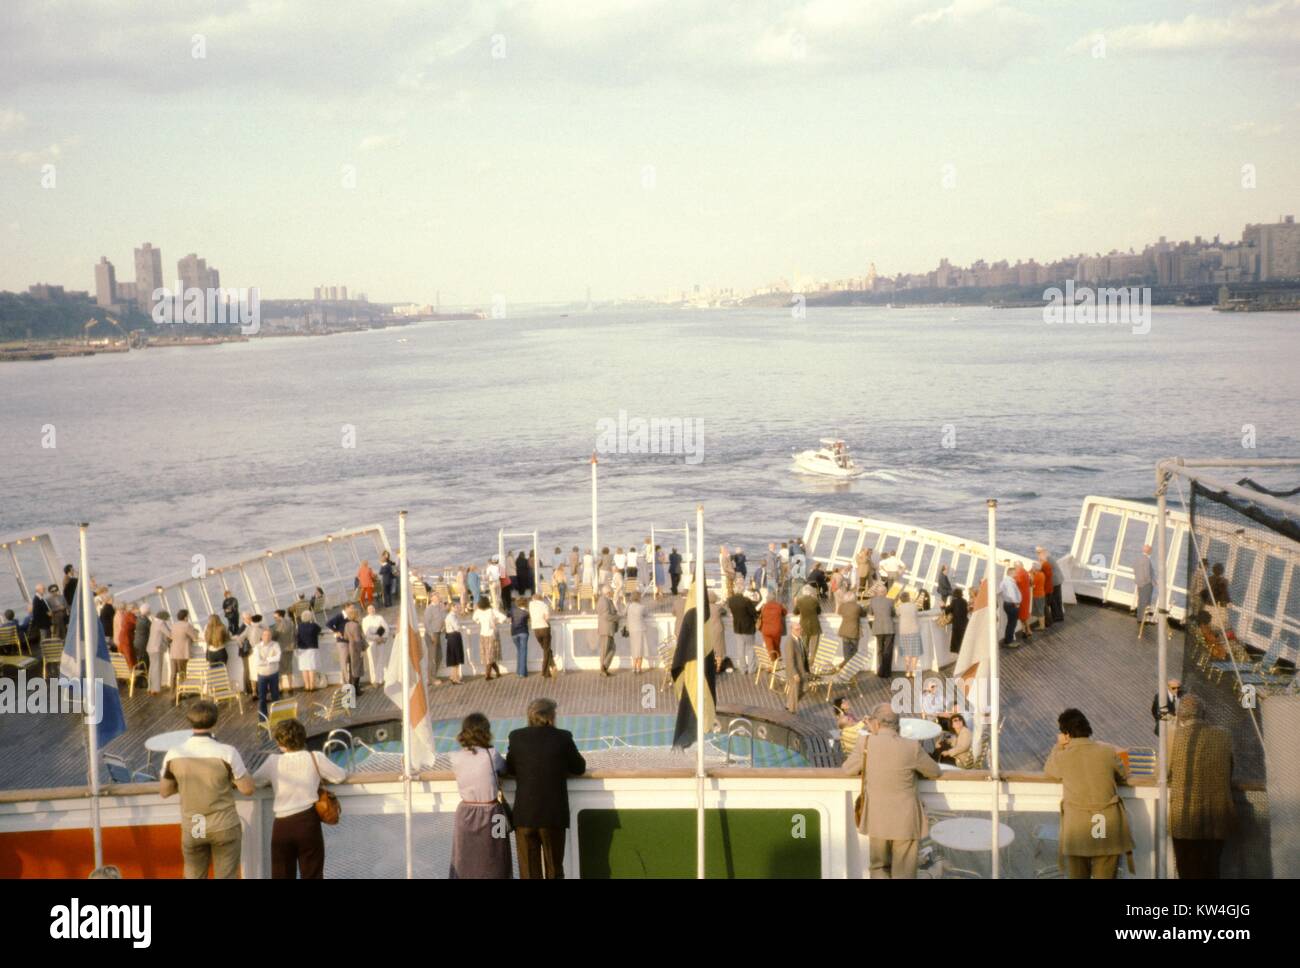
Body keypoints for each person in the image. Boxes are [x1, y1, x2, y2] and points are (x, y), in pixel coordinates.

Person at [159, 700, 255, 879]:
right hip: (223, 824)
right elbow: (247, 789)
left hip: (195, 825)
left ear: (190, 721)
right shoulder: (227, 752)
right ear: (215, 721)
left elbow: (165, 791)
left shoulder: (174, 754)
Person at [843, 702, 940, 878]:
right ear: (898, 724)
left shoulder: (865, 743)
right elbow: (934, 771)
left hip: (877, 817)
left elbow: (848, 769)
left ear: (876, 723)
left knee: (879, 867)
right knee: (905, 871)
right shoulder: (912, 746)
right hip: (905, 820)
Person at [1042, 708, 1134, 879]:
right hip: (1107, 823)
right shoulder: (1107, 751)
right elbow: (1123, 775)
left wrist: (1058, 746)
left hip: (1078, 826)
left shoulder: (1063, 756)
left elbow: (1049, 771)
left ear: (1066, 734)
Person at [253, 718, 347, 879]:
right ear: (303, 738)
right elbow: (340, 776)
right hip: (307, 823)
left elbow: (255, 781)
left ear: (280, 742)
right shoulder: (315, 758)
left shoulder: (273, 761)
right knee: (312, 873)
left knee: (281, 874)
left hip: (282, 826)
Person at [505, 698, 586, 879]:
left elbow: (510, 769)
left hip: (524, 815)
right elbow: (579, 767)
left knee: (528, 874)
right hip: (553, 815)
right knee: (554, 870)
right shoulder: (563, 737)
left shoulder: (516, 737)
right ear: (551, 717)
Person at [1167, 695, 1235, 879]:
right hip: (1216, 816)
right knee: (1212, 868)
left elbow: (1163, 775)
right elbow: (1230, 770)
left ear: (1180, 716)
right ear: (1204, 714)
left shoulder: (1173, 737)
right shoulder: (1224, 735)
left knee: (1187, 868)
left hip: (1185, 817)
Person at [449, 713, 513, 878]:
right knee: (499, 855)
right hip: (494, 814)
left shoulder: (454, 757)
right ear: (486, 732)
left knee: (465, 858)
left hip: (465, 814)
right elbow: (505, 770)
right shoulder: (491, 754)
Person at [787, 585, 820, 713]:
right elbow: (819, 612)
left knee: (803, 650)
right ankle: (809, 668)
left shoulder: (800, 601)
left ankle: (805, 669)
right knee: (814, 650)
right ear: (811, 593)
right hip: (815, 627)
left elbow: (795, 612)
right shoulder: (815, 601)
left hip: (804, 626)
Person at [473, 596, 507, 680]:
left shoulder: (478, 611)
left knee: (488, 655)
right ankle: (493, 673)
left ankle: (488, 674)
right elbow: (503, 617)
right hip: (492, 634)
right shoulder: (492, 611)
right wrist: (496, 622)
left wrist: (479, 622)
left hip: (483, 634)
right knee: (490, 655)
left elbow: (474, 619)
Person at [726, 586, 759, 673]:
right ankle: (752, 669)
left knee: (740, 649)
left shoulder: (731, 600)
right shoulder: (746, 601)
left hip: (737, 627)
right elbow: (754, 613)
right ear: (742, 592)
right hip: (748, 628)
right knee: (750, 648)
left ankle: (742, 669)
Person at [253, 628, 282, 721]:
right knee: (262, 697)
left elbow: (278, 657)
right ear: (261, 636)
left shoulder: (275, 644)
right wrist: (270, 659)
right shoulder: (257, 647)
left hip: (273, 673)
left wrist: (267, 660)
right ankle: (263, 718)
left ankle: (277, 715)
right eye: (265, 635)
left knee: (275, 695)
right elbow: (258, 661)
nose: (267, 637)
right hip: (262, 675)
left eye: (269, 635)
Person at [868, 582, 895, 678]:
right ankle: (887, 672)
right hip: (889, 628)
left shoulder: (872, 601)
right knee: (888, 650)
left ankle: (881, 670)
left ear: (878, 592)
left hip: (877, 627)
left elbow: (870, 613)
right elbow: (893, 614)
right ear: (885, 592)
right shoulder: (890, 601)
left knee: (880, 650)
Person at [422, 594, 447, 687]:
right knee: (432, 657)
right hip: (432, 634)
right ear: (431, 598)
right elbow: (426, 623)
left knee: (439, 655)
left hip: (439, 633)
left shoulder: (440, 607)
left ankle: (433, 675)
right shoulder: (429, 609)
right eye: (436, 596)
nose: (438, 597)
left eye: (438, 596)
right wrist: (431, 634)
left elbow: (443, 617)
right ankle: (431, 678)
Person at [360, 604, 388, 686]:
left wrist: (382, 638)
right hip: (371, 642)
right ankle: (374, 680)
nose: (372, 610)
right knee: (372, 661)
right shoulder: (365, 620)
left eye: (373, 608)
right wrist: (377, 638)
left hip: (381, 641)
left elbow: (386, 628)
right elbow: (366, 633)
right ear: (367, 610)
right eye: (370, 609)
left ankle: (380, 679)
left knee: (380, 660)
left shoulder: (380, 618)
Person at [145, 609, 171, 695]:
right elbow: (169, 634)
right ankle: (155, 689)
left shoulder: (154, 622)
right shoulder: (161, 623)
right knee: (157, 668)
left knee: (152, 668)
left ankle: (150, 687)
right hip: (157, 649)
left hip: (150, 648)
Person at [169, 609, 196, 691]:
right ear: (185, 617)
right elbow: (194, 637)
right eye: (187, 616)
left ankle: (172, 691)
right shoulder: (187, 625)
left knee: (173, 673)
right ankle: (182, 691)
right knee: (182, 673)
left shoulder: (174, 625)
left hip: (173, 652)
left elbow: (171, 636)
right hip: (182, 653)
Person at [1036, 546, 1065, 624]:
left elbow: (1040, 568)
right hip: (1057, 579)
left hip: (1055, 581)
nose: (1037, 554)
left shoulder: (1046, 559)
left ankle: (1058, 617)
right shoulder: (1048, 556)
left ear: (1043, 551)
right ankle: (1058, 616)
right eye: (1037, 552)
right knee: (1056, 600)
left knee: (1055, 600)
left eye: (1039, 552)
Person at [529, 593, 555, 677]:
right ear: (541, 599)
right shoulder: (544, 605)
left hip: (536, 630)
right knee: (546, 650)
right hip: (544, 628)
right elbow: (547, 618)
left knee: (545, 649)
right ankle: (544, 671)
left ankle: (552, 665)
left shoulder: (531, 605)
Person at [836, 592, 866, 666]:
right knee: (854, 651)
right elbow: (864, 614)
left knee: (846, 651)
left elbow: (838, 612)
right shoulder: (858, 607)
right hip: (855, 632)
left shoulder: (842, 606)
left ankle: (847, 667)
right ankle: (852, 668)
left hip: (844, 631)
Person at [296, 610, 323, 691]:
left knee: (304, 668)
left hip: (301, 649)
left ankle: (307, 686)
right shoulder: (313, 625)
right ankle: (312, 686)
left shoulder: (299, 626)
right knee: (311, 667)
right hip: (312, 648)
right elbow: (319, 630)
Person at [342, 606, 366, 696]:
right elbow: (358, 640)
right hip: (356, 649)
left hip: (350, 648)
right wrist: (361, 650)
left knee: (352, 669)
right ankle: (355, 689)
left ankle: (352, 689)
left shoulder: (347, 624)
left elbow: (345, 637)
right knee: (357, 669)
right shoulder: (356, 625)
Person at [758, 588, 787, 662]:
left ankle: (773, 664)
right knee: (777, 647)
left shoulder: (763, 606)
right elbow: (785, 612)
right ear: (775, 598)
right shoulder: (778, 606)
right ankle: (778, 662)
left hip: (766, 630)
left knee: (770, 648)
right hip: (776, 630)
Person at [596, 585, 619, 676]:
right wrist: (617, 617)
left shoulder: (605, 600)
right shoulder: (604, 601)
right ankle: (603, 668)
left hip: (607, 629)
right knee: (605, 650)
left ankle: (604, 667)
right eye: (612, 592)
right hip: (606, 629)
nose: (613, 593)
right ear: (608, 592)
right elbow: (606, 616)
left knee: (611, 648)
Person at [273, 609, 296, 694]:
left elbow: (274, 635)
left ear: (279, 616)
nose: (274, 618)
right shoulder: (291, 622)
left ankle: (281, 687)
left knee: (279, 668)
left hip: (281, 648)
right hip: (290, 648)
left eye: (275, 616)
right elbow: (294, 633)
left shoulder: (278, 624)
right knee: (289, 667)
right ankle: (290, 686)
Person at [998, 563, 1021, 647]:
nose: (1016, 574)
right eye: (1015, 573)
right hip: (1012, 605)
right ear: (1011, 573)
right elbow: (1012, 595)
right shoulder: (1010, 583)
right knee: (1012, 624)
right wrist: (1016, 603)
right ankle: (1009, 641)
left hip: (1007, 604)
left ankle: (1008, 640)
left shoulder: (1004, 581)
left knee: (1010, 623)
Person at [509, 596, 531, 677]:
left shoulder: (513, 610)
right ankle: (522, 673)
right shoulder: (526, 612)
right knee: (523, 652)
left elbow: (508, 615)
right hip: (523, 632)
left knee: (519, 652)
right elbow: (529, 620)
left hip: (514, 633)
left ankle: (520, 672)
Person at [1134, 544, 1154, 625]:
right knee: (1145, 601)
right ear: (1149, 551)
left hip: (1139, 583)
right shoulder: (1147, 560)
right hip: (1146, 584)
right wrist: (1150, 581)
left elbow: (1134, 569)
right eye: (1151, 550)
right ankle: (1143, 619)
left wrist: (1138, 579)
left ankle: (1139, 618)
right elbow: (1147, 574)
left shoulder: (1138, 558)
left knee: (1141, 600)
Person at [444, 608, 465, 685]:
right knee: (456, 658)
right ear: (452, 608)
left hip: (451, 637)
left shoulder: (451, 616)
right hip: (454, 637)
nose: (458, 608)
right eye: (456, 607)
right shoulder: (451, 617)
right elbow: (457, 627)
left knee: (454, 658)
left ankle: (453, 676)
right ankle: (456, 678)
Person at [944, 587, 968, 654]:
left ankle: (957, 653)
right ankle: (962, 652)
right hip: (964, 623)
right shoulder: (964, 602)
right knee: (961, 638)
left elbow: (948, 610)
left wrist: (944, 607)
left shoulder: (954, 602)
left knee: (956, 639)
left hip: (957, 624)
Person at [1013, 561, 1032, 642]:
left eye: (1015, 567)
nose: (1014, 568)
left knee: (1023, 615)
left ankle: (1028, 630)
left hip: (1022, 596)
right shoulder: (1025, 572)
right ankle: (1025, 631)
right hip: (1025, 595)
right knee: (1023, 614)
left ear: (1018, 566)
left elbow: (1016, 582)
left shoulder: (1020, 573)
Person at [132, 603, 151, 680]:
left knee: (139, 660)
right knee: (144, 661)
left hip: (136, 642)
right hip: (143, 644)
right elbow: (151, 630)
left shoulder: (138, 618)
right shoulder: (146, 621)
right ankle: (142, 681)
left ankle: (139, 680)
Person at [1030, 562, 1047, 631]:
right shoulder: (1042, 574)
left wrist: (1031, 576)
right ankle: (1042, 625)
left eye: (1033, 567)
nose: (1032, 568)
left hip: (1038, 596)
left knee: (1040, 611)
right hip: (1041, 594)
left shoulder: (1037, 576)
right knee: (1040, 610)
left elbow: (1033, 586)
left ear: (1035, 569)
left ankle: (1042, 627)